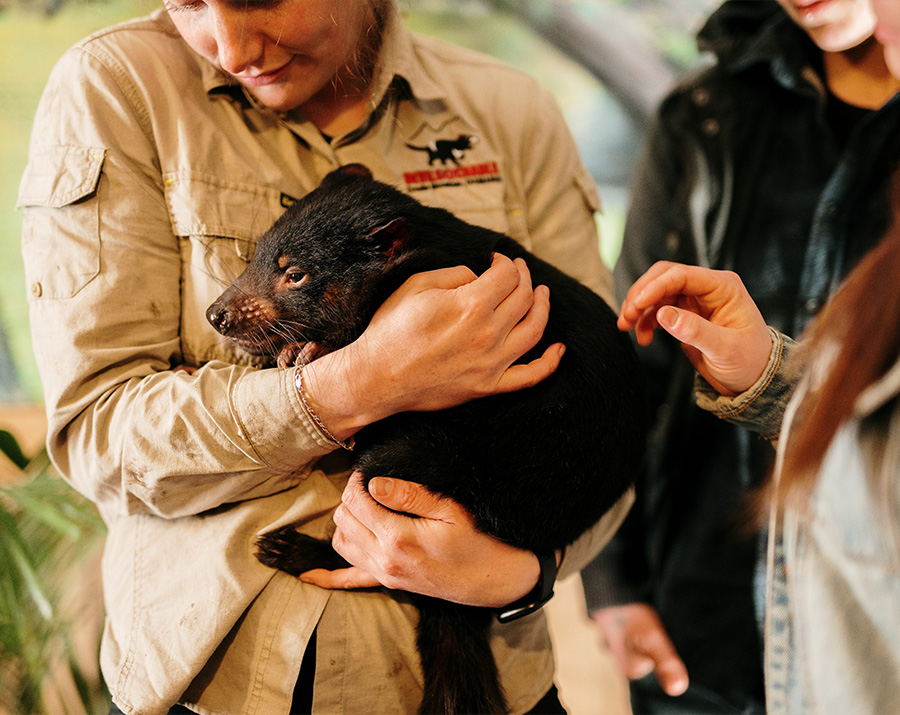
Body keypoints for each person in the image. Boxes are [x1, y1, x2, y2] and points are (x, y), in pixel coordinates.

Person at [16, 1, 634, 713]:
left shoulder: (509, 105)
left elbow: (607, 415)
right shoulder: (118, 87)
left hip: (498, 673)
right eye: (187, 3)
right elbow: (99, 436)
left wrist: (525, 570)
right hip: (231, 687)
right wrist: (360, 383)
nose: (231, 47)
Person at [580, 0, 900, 711]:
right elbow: (633, 363)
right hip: (703, 621)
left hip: (869, 639)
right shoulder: (704, 113)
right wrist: (612, 580)